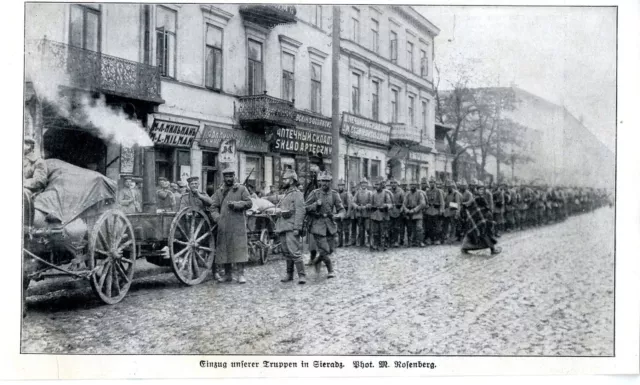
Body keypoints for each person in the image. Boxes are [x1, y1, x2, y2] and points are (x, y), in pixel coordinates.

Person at [210, 167, 253, 284]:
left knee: (239, 249)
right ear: (224, 178)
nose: (228, 179)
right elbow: (213, 207)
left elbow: (249, 203)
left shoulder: (241, 189)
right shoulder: (219, 191)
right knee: (225, 249)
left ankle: (241, 274)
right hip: (223, 225)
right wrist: (217, 218)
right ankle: (228, 274)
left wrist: (237, 205)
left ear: (234, 176)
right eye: (226, 177)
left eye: (230, 176)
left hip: (237, 224)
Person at [304, 171, 345, 278]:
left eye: (327, 181)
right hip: (317, 224)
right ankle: (330, 270)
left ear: (330, 182)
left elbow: (341, 209)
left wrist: (339, 215)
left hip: (330, 224)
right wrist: (315, 205)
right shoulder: (315, 193)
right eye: (323, 181)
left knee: (331, 249)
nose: (324, 183)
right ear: (319, 182)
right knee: (324, 249)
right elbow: (306, 208)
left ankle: (317, 261)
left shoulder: (335, 194)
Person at [275, 169, 306, 284]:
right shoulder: (286, 194)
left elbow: (300, 211)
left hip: (292, 227)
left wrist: (297, 228)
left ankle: (302, 275)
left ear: (292, 181)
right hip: (283, 226)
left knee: (294, 252)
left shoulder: (297, 194)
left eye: (286, 179)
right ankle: (289, 274)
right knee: (286, 252)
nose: (284, 181)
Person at [460, 182, 502, 255]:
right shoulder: (476, 197)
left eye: (482, 189)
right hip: (476, 218)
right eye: (480, 189)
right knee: (480, 233)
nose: (481, 191)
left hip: (481, 218)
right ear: (477, 189)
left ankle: (464, 248)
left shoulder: (480, 197)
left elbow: (487, 208)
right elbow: (470, 205)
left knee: (478, 233)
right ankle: (492, 249)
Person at [369, 177, 392, 251]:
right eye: (376, 185)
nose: (376, 186)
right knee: (375, 232)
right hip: (375, 215)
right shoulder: (373, 194)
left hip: (383, 215)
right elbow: (370, 204)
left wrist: (386, 205)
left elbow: (390, 204)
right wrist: (371, 206)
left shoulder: (386, 193)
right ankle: (376, 244)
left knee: (383, 232)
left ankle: (384, 245)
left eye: (378, 184)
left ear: (381, 185)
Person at [403, 180, 426, 247]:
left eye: (414, 185)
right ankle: (412, 241)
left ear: (416, 186)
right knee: (411, 228)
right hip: (410, 213)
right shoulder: (408, 194)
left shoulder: (420, 193)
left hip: (418, 213)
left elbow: (423, 204)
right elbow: (404, 204)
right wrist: (406, 210)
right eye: (411, 185)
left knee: (419, 228)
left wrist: (415, 210)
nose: (412, 186)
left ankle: (420, 241)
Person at [425, 176, 445, 245]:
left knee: (437, 226)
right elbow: (425, 200)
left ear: (435, 183)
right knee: (429, 226)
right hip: (429, 210)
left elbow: (442, 202)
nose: (431, 184)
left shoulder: (438, 191)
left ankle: (437, 239)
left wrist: (441, 210)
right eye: (430, 182)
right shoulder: (427, 191)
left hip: (436, 210)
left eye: (432, 182)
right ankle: (430, 239)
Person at [352, 178, 372, 247]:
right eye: (362, 183)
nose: (363, 185)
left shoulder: (369, 192)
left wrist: (367, 206)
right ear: (360, 184)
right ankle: (361, 242)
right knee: (361, 228)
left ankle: (369, 241)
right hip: (360, 213)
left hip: (367, 213)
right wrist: (357, 207)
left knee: (368, 228)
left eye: (365, 183)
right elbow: (353, 202)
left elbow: (371, 202)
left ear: (367, 184)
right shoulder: (358, 192)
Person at [388, 177, 405, 248]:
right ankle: (390, 241)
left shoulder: (401, 191)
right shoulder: (388, 191)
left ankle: (396, 241)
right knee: (390, 226)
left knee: (397, 227)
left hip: (398, 211)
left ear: (397, 184)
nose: (393, 184)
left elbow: (404, 202)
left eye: (395, 183)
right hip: (390, 211)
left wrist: (401, 208)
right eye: (392, 183)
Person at [443, 180, 462, 244]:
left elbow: (458, 204)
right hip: (447, 212)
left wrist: (457, 212)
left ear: (452, 187)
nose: (448, 188)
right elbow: (445, 203)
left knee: (453, 226)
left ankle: (452, 238)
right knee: (446, 226)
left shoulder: (456, 194)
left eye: (449, 186)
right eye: (447, 187)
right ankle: (446, 238)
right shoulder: (447, 194)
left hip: (454, 212)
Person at [336, 179, 352, 247]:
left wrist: (348, 213)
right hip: (338, 211)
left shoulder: (346, 194)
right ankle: (340, 242)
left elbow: (349, 204)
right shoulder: (336, 194)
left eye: (342, 185)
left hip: (345, 211)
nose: (340, 187)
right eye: (339, 185)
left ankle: (346, 242)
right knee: (339, 229)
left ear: (344, 186)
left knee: (346, 229)